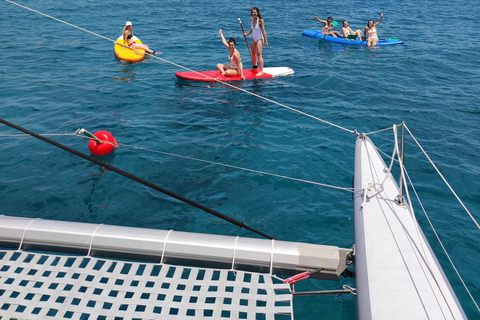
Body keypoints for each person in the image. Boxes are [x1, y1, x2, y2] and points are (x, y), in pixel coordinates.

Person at [243, 7, 268, 76]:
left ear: (258, 13)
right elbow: (252, 29)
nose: (253, 13)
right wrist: (247, 34)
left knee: (259, 55)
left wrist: (266, 41)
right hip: (254, 38)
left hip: (260, 38)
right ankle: (255, 67)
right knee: (253, 53)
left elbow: (263, 30)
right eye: (252, 12)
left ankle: (261, 71)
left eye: (255, 12)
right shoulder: (251, 19)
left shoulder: (260, 20)